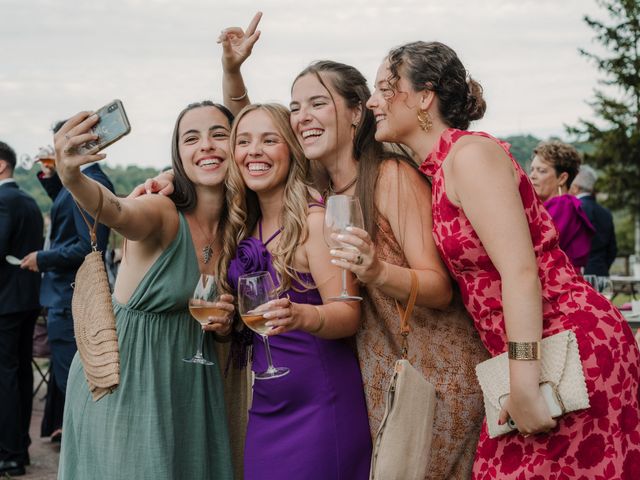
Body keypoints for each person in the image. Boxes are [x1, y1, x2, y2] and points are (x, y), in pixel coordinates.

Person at [216, 13, 488, 478]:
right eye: (296, 106)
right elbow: (260, 138)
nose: (302, 117)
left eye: (317, 104)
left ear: (357, 112)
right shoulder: (322, 182)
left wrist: (376, 270)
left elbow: (439, 288)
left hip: (432, 374)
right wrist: (232, 72)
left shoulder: (389, 177)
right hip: (378, 374)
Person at [366, 40, 640, 478]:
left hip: (566, 349)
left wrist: (524, 381)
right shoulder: (438, 169)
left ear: (424, 96)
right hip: (530, 354)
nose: (371, 100)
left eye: (384, 87)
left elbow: (520, 270)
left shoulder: (470, 156)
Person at [54, 102, 234, 479]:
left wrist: (225, 323)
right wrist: (72, 177)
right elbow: (118, 212)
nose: (206, 145)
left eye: (219, 134)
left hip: (190, 384)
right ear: (178, 155)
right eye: (191, 138)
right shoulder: (161, 211)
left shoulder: (236, 228)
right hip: (129, 378)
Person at [223, 103, 372, 479]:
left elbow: (349, 313)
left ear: (291, 148)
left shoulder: (314, 222)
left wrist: (303, 315)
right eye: (243, 141)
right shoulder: (244, 224)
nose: (254, 151)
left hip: (322, 405)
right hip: (267, 404)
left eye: (269, 140)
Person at [20, 121, 114, 442]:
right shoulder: (77, 183)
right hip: (63, 298)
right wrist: (49, 177)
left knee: (75, 386)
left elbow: (87, 245)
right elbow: (64, 205)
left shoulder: (93, 184)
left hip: (71, 299)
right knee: (68, 383)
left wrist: (41, 258)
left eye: (62, 141)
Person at [0, 141, 44, 477]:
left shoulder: (3, 200)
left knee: (6, 375)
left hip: (5, 301)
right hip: (27, 299)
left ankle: (9, 452)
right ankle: (20, 450)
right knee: (19, 372)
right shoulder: (28, 199)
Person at [529, 141, 595, 269]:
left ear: (562, 178)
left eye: (541, 171)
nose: (532, 176)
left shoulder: (562, 206)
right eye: (532, 170)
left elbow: (535, 250)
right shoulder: (559, 206)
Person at [569, 165, 617, 276]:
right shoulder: (606, 213)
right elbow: (612, 249)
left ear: (575, 188)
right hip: (601, 272)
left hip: (577, 274)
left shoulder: (573, 209)